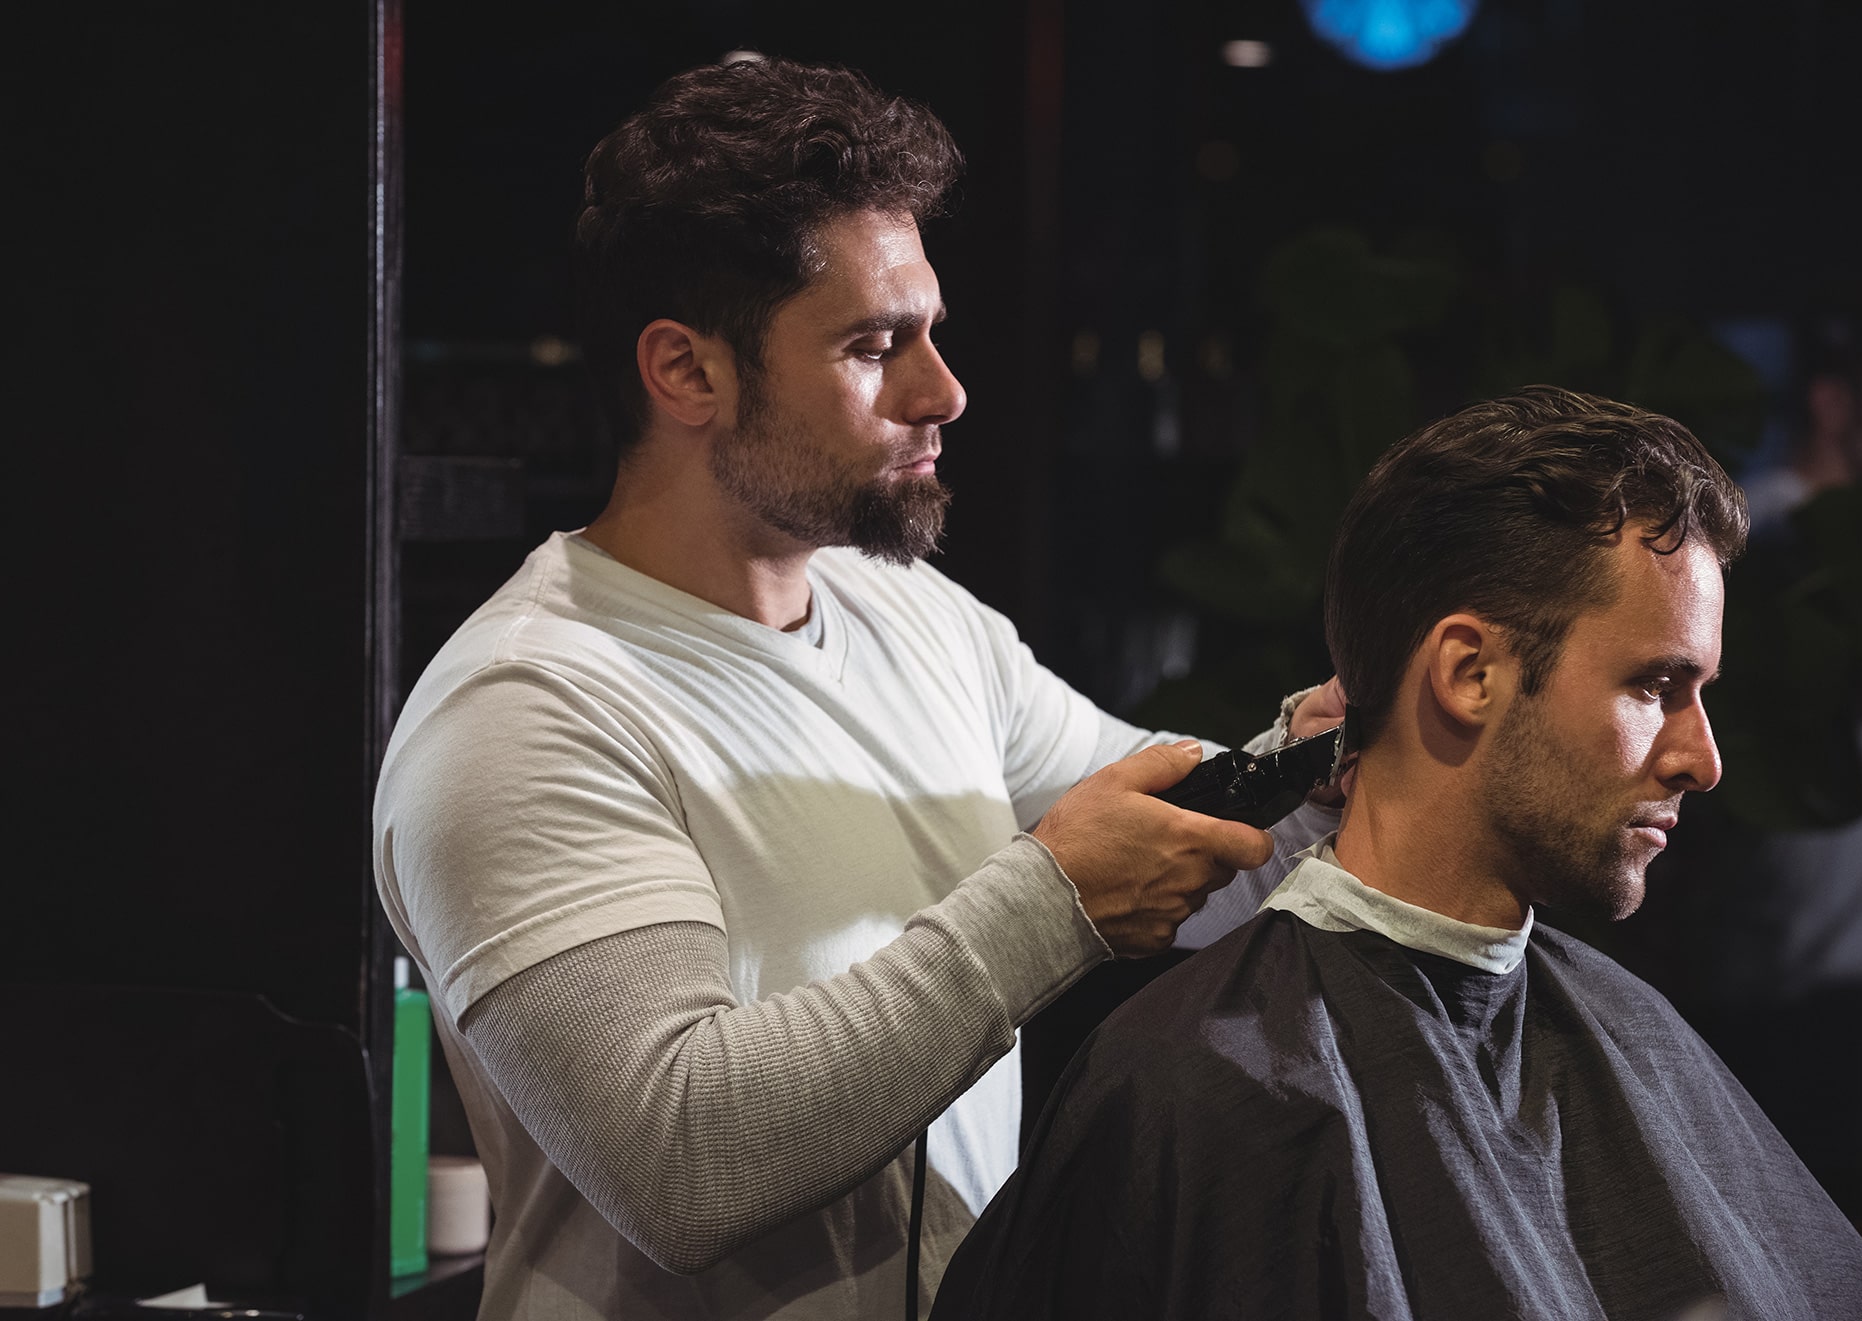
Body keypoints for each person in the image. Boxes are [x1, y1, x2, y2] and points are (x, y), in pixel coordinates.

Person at [371, 56, 1340, 1319]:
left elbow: (1183, 847)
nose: (944, 391)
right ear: (687, 373)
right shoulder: (527, 712)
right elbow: (683, 1164)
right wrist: (1050, 903)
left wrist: (1320, 762)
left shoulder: (916, 616)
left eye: (929, 332)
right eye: (875, 346)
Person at [931, 386, 1862, 1321]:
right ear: (1469, 673)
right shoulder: (1201, 1089)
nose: (1703, 759)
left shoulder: (1635, 1038)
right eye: (1655, 686)